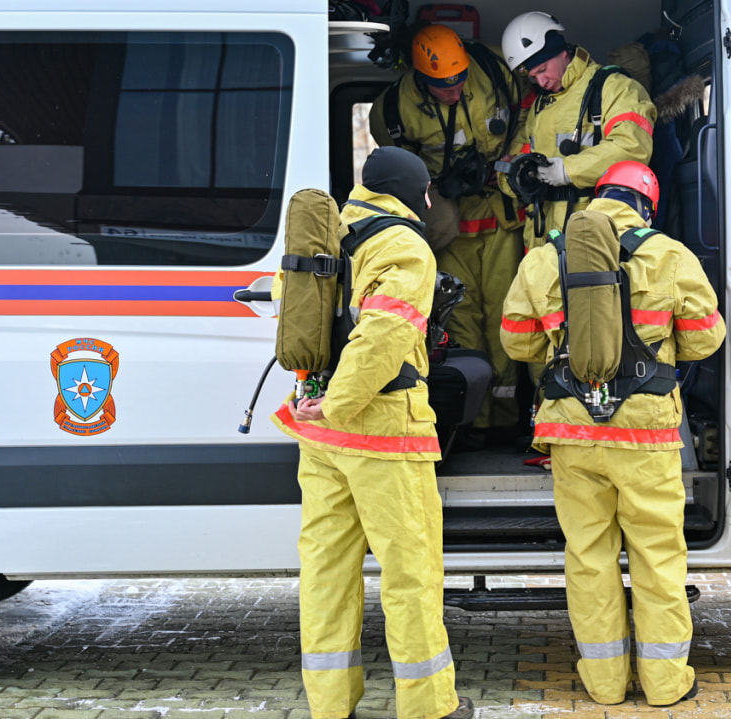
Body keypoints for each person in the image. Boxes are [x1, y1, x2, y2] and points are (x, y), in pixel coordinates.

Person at [500, 161, 726, 706]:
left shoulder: (543, 257)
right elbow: (706, 338)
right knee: (657, 556)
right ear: (645, 206)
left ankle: (603, 684)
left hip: (571, 433)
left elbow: (515, 341)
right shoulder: (670, 255)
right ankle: (666, 684)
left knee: (588, 555)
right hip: (646, 437)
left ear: (597, 197)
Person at [272, 146, 472, 719]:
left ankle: (331, 706)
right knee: (411, 573)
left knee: (327, 572)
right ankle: (429, 707)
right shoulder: (405, 246)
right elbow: (384, 334)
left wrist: (322, 402)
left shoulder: (331, 232)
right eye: (428, 192)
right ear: (416, 192)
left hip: (318, 434)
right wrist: (340, 403)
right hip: (380, 430)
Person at [369, 23, 527, 447]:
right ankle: (473, 423)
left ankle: (507, 421)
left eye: (459, 79)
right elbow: (398, 174)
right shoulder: (393, 112)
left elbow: (532, 108)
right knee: (461, 324)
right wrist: (439, 186)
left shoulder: (495, 70)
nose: (455, 90)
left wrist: (513, 161)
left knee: (505, 322)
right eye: (443, 85)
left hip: (499, 220)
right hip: (449, 232)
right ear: (421, 78)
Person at [498, 11, 657, 250]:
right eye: (533, 76)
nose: (541, 82)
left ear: (562, 52)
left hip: (592, 233)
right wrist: (513, 177)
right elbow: (517, 158)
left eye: (542, 69)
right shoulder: (540, 107)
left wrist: (567, 170)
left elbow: (632, 147)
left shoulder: (613, 87)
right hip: (541, 240)